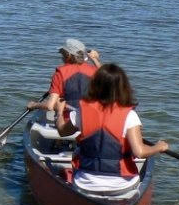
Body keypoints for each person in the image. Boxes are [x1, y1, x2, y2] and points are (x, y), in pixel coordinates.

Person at [52, 63, 169, 194]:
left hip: (85, 182)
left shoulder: (82, 112)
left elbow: (62, 131)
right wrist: (159, 147)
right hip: (122, 184)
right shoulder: (130, 116)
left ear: (95, 85)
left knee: (61, 169)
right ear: (123, 87)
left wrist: (59, 112)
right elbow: (139, 152)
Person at [29, 39, 101, 112]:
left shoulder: (60, 73)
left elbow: (49, 106)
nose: (61, 57)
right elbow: (102, 72)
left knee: (58, 102)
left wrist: (34, 105)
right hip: (92, 117)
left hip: (70, 120)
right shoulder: (94, 70)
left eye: (62, 53)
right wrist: (94, 59)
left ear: (68, 55)